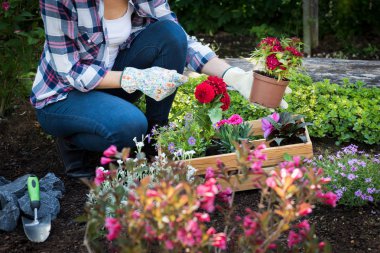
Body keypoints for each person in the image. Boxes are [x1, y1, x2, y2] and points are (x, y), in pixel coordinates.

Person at [31, 0, 286, 179]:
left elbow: (180, 41)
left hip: (111, 83)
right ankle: (73, 139)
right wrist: (134, 79)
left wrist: (234, 75)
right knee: (131, 127)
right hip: (64, 96)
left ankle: (155, 139)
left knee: (170, 34)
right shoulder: (59, 1)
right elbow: (71, 71)